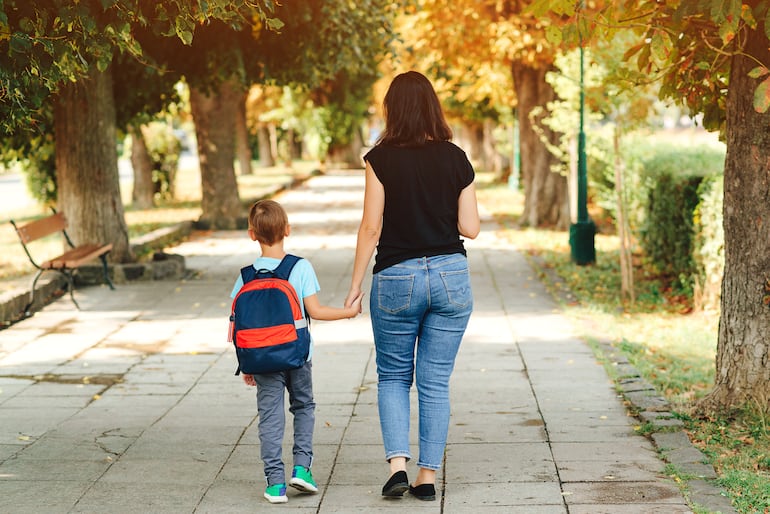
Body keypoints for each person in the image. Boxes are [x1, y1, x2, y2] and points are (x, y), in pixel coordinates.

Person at [344, 70, 481, 501]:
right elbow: (470, 228)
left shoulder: (379, 158)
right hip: (449, 276)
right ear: (432, 106)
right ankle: (427, 478)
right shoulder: (456, 158)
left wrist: (354, 284)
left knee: (393, 377)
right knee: (435, 381)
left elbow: (370, 226)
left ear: (392, 109)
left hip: (396, 277)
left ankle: (397, 467)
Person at [232, 199, 363, 504]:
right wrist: (348, 312)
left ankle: (275, 483)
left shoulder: (245, 276)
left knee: (269, 416)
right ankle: (302, 469)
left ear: (252, 234)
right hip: (298, 355)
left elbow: (236, 325)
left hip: (261, 359)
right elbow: (314, 311)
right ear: (287, 230)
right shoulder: (299, 267)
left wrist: (246, 364)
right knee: (303, 406)